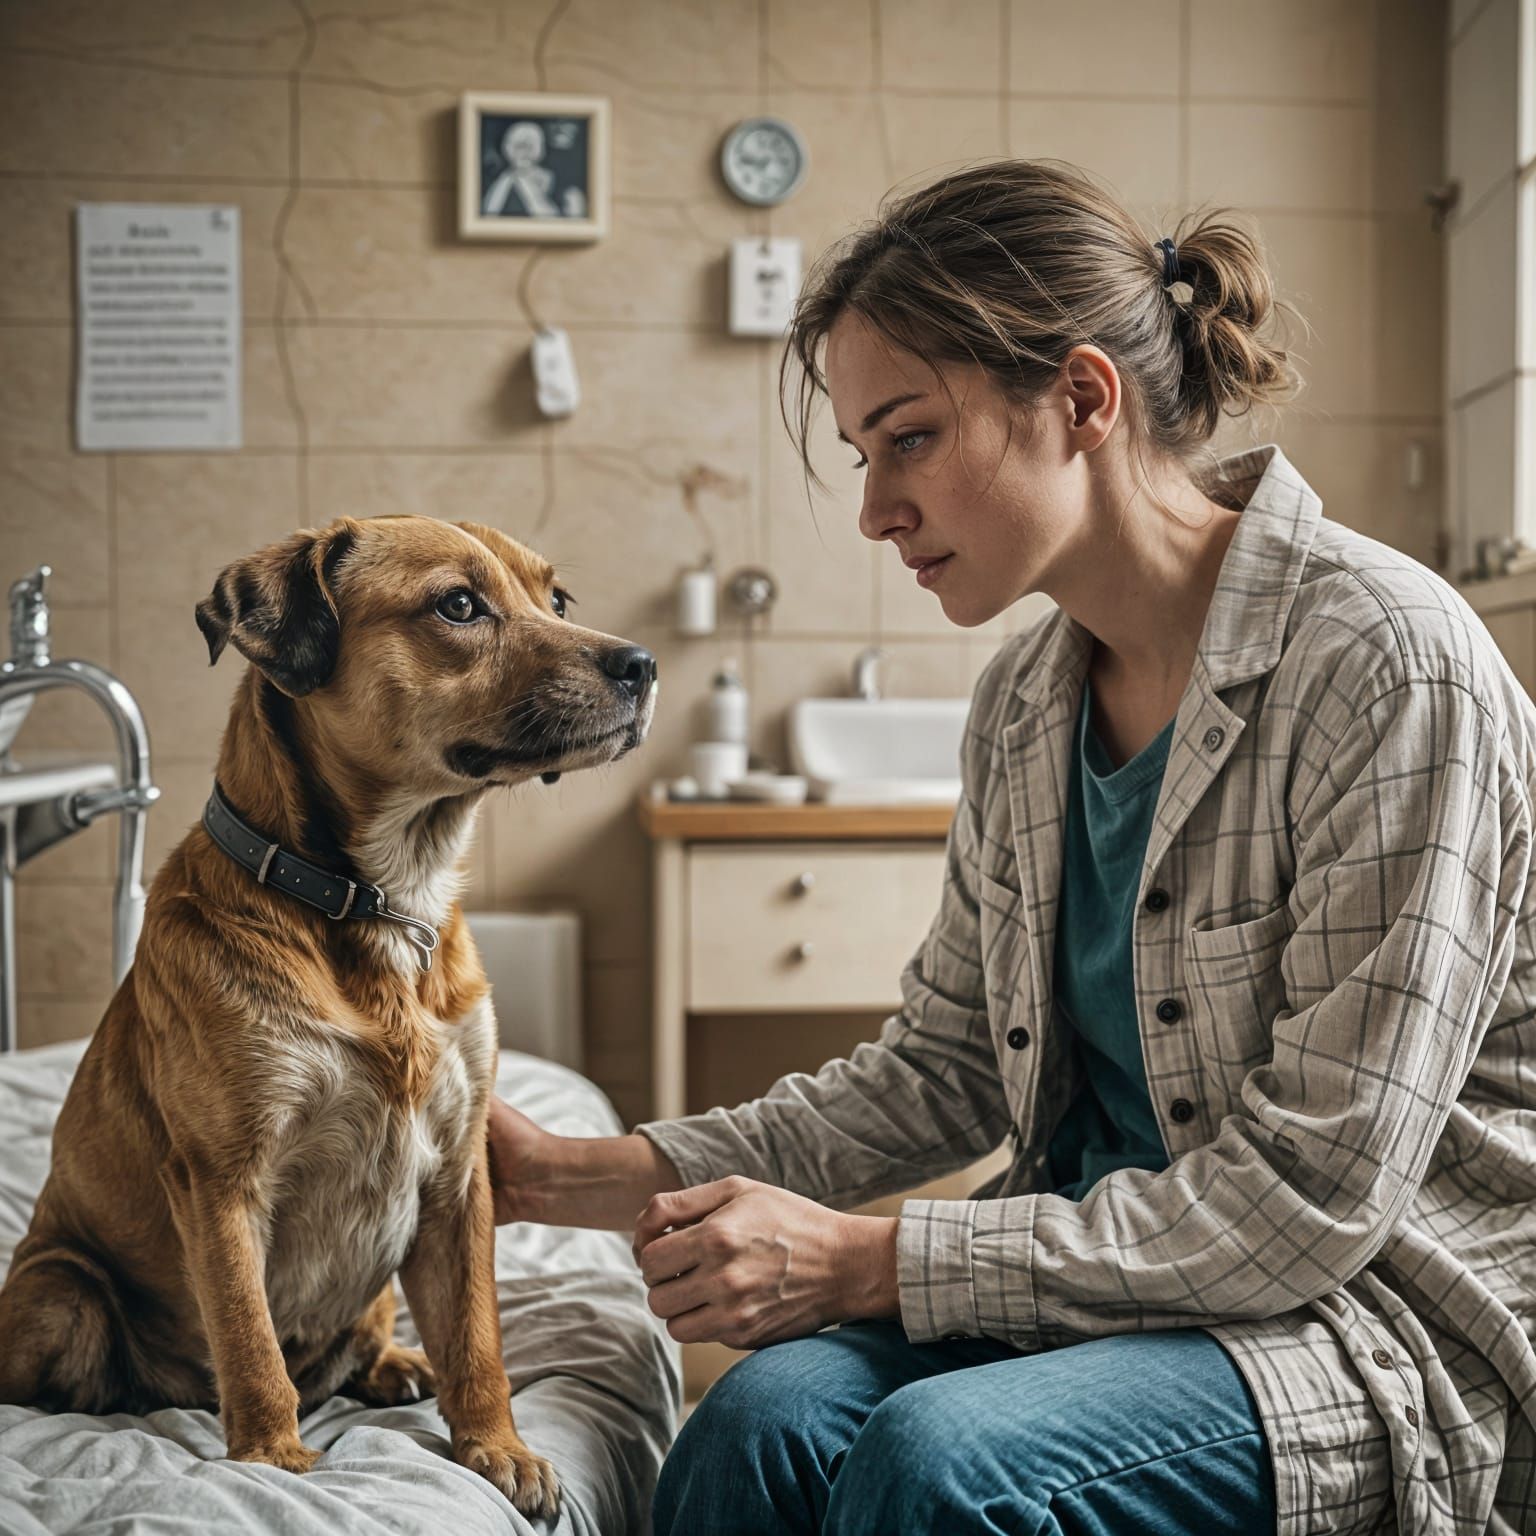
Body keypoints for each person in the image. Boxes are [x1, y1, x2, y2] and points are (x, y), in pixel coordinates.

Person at [486, 160, 1536, 1535]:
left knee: (939, 1463)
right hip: (1116, 1272)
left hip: (1363, 1310)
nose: (874, 510)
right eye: (866, 455)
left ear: (1083, 402)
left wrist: (869, 1262)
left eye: (907, 438)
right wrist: (574, 1178)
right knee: (755, 1421)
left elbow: (1311, 1199)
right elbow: (945, 1067)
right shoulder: (1028, 703)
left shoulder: (1387, 664)